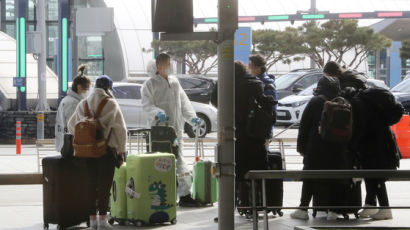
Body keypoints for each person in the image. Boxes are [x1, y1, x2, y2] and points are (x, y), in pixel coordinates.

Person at [141, 53, 202, 207]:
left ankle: (183, 194)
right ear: (159, 65)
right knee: (162, 162)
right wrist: (157, 113)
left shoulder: (174, 82)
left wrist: (191, 117)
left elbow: (184, 102)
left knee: (179, 160)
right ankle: (168, 194)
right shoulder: (150, 84)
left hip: (176, 128)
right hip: (159, 131)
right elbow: (147, 105)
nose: (171, 66)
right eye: (168, 63)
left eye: (170, 63)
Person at [68, 75, 127, 230]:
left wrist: (86, 137)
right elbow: (121, 130)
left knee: (89, 186)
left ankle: (92, 220)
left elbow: (70, 125)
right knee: (104, 186)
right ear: (108, 88)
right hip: (105, 152)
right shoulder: (111, 103)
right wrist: (122, 151)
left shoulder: (83, 103)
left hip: (85, 153)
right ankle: (102, 221)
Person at [291, 75, 349, 221]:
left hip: (316, 148)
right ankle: (333, 210)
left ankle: (303, 208)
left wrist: (301, 148)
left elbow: (304, 127)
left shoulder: (316, 102)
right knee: (335, 179)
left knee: (310, 177)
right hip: (338, 148)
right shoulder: (343, 103)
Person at [55, 65, 91, 152]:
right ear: (79, 88)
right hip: (71, 146)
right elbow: (73, 127)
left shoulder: (67, 100)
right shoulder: (73, 103)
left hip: (65, 144)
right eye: (87, 89)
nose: (88, 92)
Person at [248, 55, 277, 142]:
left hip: (262, 128)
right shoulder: (256, 81)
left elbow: (270, 109)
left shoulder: (266, 84)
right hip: (255, 127)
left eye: (250, 65)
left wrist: (268, 129)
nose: (248, 68)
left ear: (257, 68)